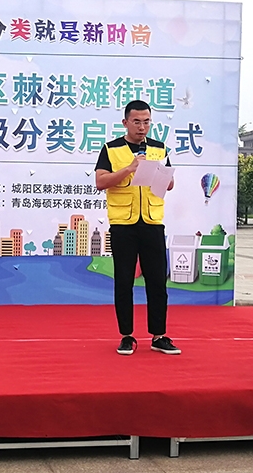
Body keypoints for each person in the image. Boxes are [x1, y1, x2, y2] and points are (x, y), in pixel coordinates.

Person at [95, 100, 180, 356]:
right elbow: (100, 181)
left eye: (146, 122)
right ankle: (126, 335)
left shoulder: (159, 148)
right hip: (123, 224)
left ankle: (159, 335)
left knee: (157, 281)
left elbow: (170, 184)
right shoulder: (111, 149)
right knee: (124, 281)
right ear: (125, 123)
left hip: (152, 222)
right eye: (136, 122)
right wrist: (130, 169)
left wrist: (165, 178)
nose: (142, 127)